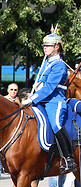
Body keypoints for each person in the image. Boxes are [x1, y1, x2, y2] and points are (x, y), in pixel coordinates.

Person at [22, 25, 77, 174]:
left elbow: (50, 87)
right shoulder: (46, 63)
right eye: (44, 45)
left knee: (55, 124)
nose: (45, 48)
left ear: (57, 47)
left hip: (54, 101)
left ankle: (69, 158)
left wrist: (33, 97)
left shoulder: (59, 64)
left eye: (48, 46)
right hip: (41, 101)